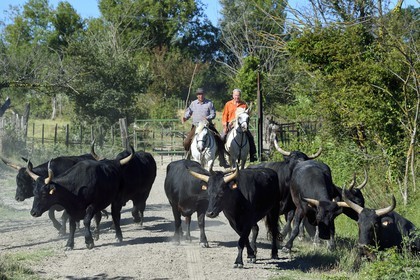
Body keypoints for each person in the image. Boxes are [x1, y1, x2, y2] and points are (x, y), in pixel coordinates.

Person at [182, 88, 229, 167]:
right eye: (199, 94)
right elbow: (188, 112)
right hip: (196, 126)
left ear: (204, 95)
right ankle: (187, 156)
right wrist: (185, 118)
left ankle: (222, 160)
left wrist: (208, 118)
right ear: (197, 95)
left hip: (207, 125)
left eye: (202, 94)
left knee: (219, 139)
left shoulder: (209, 103)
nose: (200, 96)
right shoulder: (193, 103)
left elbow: (213, 114)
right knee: (186, 141)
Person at [221, 88, 257, 162]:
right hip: (230, 125)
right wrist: (225, 126)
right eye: (235, 95)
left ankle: (252, 155)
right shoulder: (228, 104)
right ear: (233, 95)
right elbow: (224, 116)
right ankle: (221, 157)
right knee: (222, 137)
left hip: (241, 126)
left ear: (240, 96)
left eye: (238, 95)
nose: (237, 97)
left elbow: (247, 115)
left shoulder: (244, 104)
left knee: (250, 137)